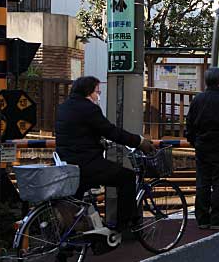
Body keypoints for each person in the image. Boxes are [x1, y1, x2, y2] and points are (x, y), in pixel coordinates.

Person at [55, 76, 155, 232]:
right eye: (97, 91)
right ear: (88, 92)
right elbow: (111, 131)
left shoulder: (64, 107)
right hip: (86, 164)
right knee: (127, 177)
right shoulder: (89, 108)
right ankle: (124, 225)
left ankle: (68, 241)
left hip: (67, 164)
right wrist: (138, 141)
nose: (98, 94)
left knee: (74, 203)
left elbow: (80, 133)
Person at [185, 67, 219, 230]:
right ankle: (217, 218)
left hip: (202, 147)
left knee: (202, 182)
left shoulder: (198, 100)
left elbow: (189, 125)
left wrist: (194, 142)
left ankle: (202, 218)